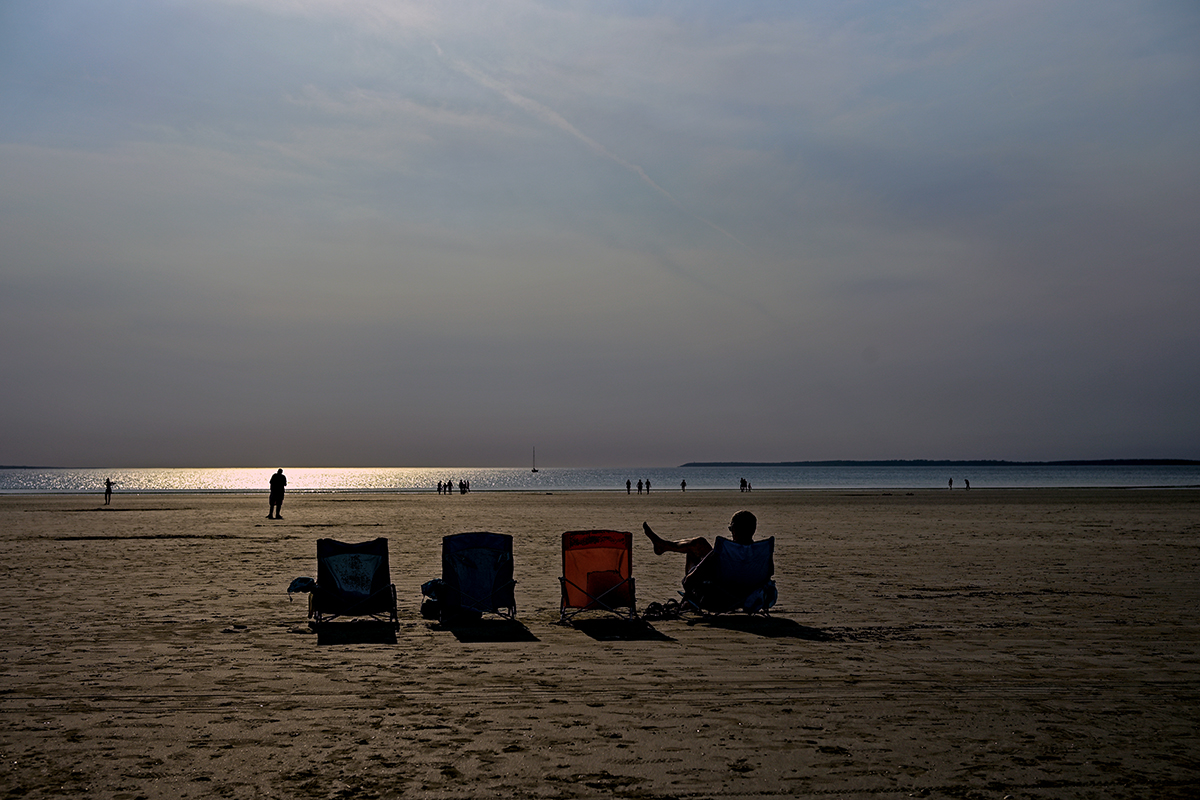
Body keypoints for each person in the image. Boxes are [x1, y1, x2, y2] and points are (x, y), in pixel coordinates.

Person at [642, 510, 768, 581]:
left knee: (696, 547)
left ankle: (664, 546)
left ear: (734, 530)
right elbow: (769, 573)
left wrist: (688, 581)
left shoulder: (727, 550)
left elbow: (693, 578)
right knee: (699, 545)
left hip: (721, 594)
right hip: (748, 593)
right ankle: (663, 545)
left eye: (731, 529)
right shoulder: (762, 551)